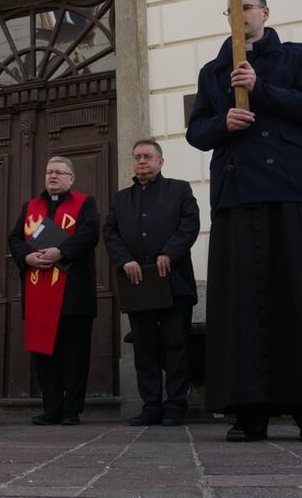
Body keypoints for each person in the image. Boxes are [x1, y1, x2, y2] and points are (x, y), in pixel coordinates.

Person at [186, 0, 302, 442]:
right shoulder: (212, 71)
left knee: (299, 298)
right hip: (236, 196)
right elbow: (196, 131)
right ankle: (248, 412)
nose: (239, 16)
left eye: (246, 7)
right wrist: (222, 123)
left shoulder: (296, 55)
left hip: (288, 191)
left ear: (264, 12)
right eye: (232, 10)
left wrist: (261, 90)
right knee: (241, 306)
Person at [104, 139, 199, 426]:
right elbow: (110, 233)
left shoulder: (179, 190)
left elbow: (190, 224)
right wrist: (125, 261)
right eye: (137, 157)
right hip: (138, 283)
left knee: (175, 344)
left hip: (174, 281)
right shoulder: (121, 199)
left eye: (147, 156)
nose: (142, 161)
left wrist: (169, 252)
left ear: (160, 161)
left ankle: (175, 406)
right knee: (145, 347)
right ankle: (151, 406)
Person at [8, 156, 100, 426]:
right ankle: (51, 409)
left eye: (59, 172)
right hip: (39, 292)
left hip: (73, 293)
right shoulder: (31, 207)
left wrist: (61, 251)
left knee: (74, 354)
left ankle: (71, 410)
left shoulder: (86, 203)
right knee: (45, 355)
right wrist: (26, 257)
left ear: (71, 178)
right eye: (49, 172)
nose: (53, 176)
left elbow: (89, 234)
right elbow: (15, 238)